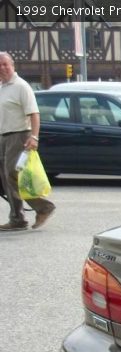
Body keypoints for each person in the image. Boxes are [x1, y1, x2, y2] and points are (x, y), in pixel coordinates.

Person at [0, 51, 55, 231]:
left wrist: (34, 136)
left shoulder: (21, 86)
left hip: (19, 135)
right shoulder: (2, 87)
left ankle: (42, 207)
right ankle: (17, 218)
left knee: (13, 175)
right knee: (6, 178)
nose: (2, 68)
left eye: (4, 64)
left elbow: (34, 113)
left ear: (12, 65)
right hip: (3, 136)